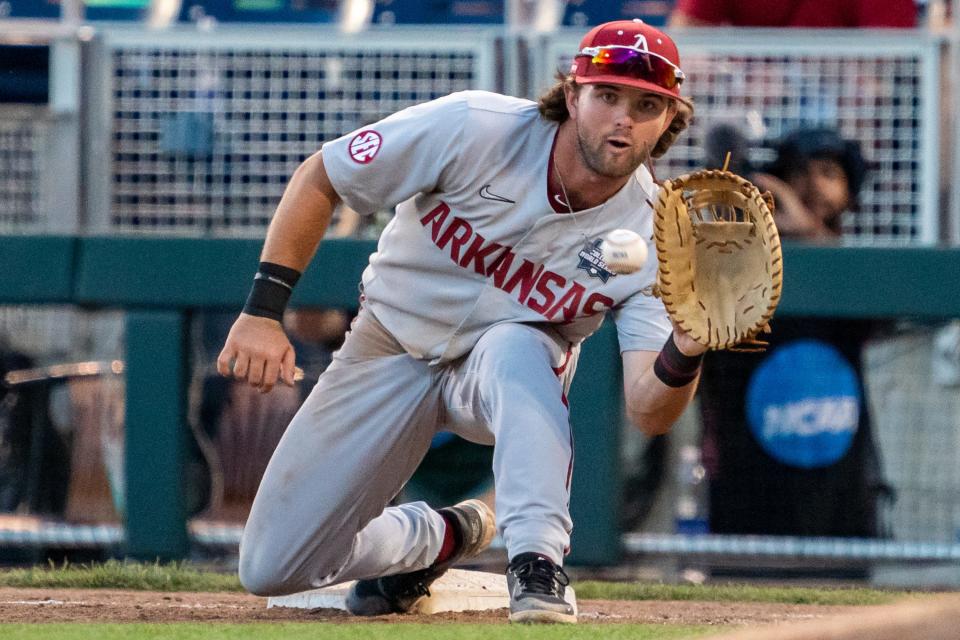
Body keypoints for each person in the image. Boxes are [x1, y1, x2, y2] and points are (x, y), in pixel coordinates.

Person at [218, 20, 702, 624]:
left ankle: (537, 562)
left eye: (647, 104)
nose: (623, 118)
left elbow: (648, 410)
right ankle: (441, 535)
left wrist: (687, 347)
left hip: (498, 381)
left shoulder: (657, 237)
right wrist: (264, 312)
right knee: (271, 566)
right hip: (389, 345)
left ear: (669, 120)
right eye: (606, 95)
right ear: (572, 93)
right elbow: (323, 176)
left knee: (517, 342)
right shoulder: (476, 126)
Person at [698, 127, 892, 547]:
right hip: (750, 485)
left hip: (837, 484)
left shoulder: (857, 268)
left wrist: (809, 234)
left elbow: (879, 318)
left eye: (828, 173)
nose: (812, 186)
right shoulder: (742, 262)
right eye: (797, 175)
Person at [669, 0, 917, 28]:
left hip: (841, 121)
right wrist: (732, 78)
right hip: (750, 106)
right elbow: (687, 45)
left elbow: (888, 69)